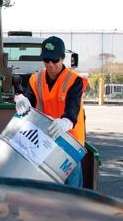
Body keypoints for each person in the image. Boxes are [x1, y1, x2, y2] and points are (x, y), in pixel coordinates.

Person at [14, 36, 88, 187]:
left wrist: (66, 121)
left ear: (63, 58)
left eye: (55, 61)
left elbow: (73, 107)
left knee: (71, 187)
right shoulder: (36, 79)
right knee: (45, 185)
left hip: (70, 140)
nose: (50, 65)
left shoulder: (74, 80)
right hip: (45, 136)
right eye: (46, 60)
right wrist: (22, 99)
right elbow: (30, 98)